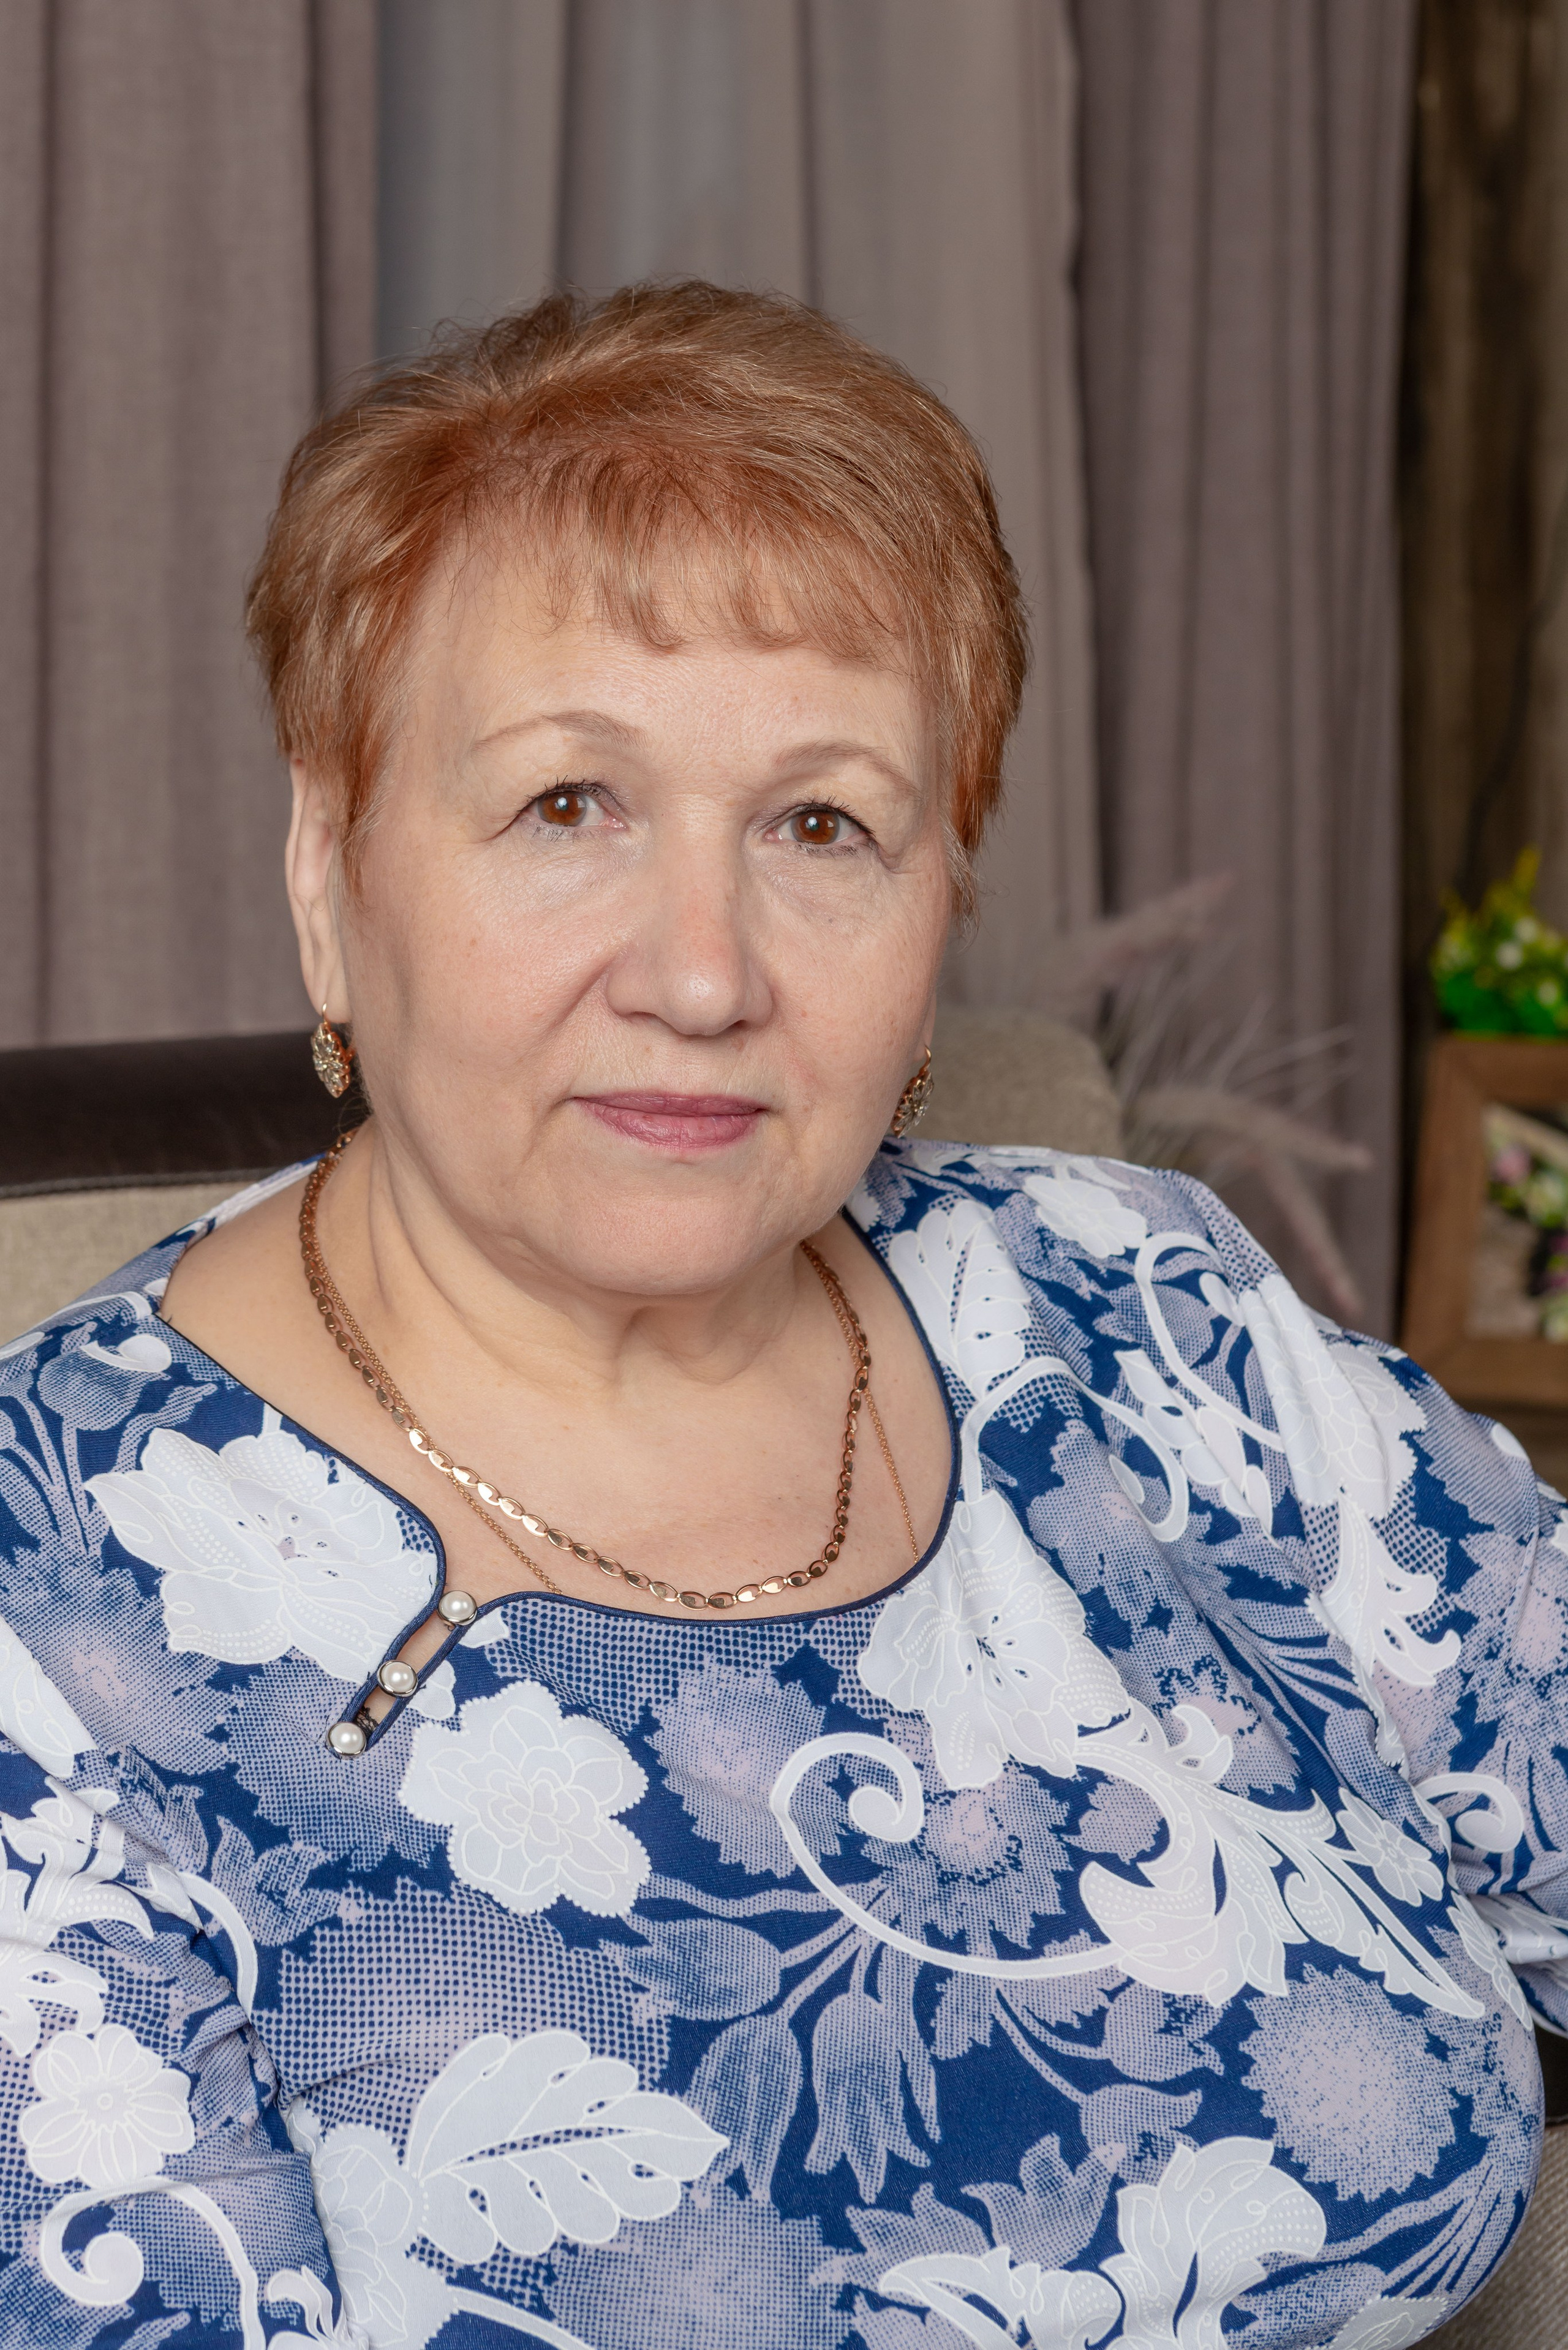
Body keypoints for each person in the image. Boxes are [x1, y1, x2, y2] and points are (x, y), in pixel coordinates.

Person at [0, 283, 1558, 2350]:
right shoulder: (59, 1594)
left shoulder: (1139, 1319)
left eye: (824, 823)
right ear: (329, 867)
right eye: (571, 805)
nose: (708, 972)